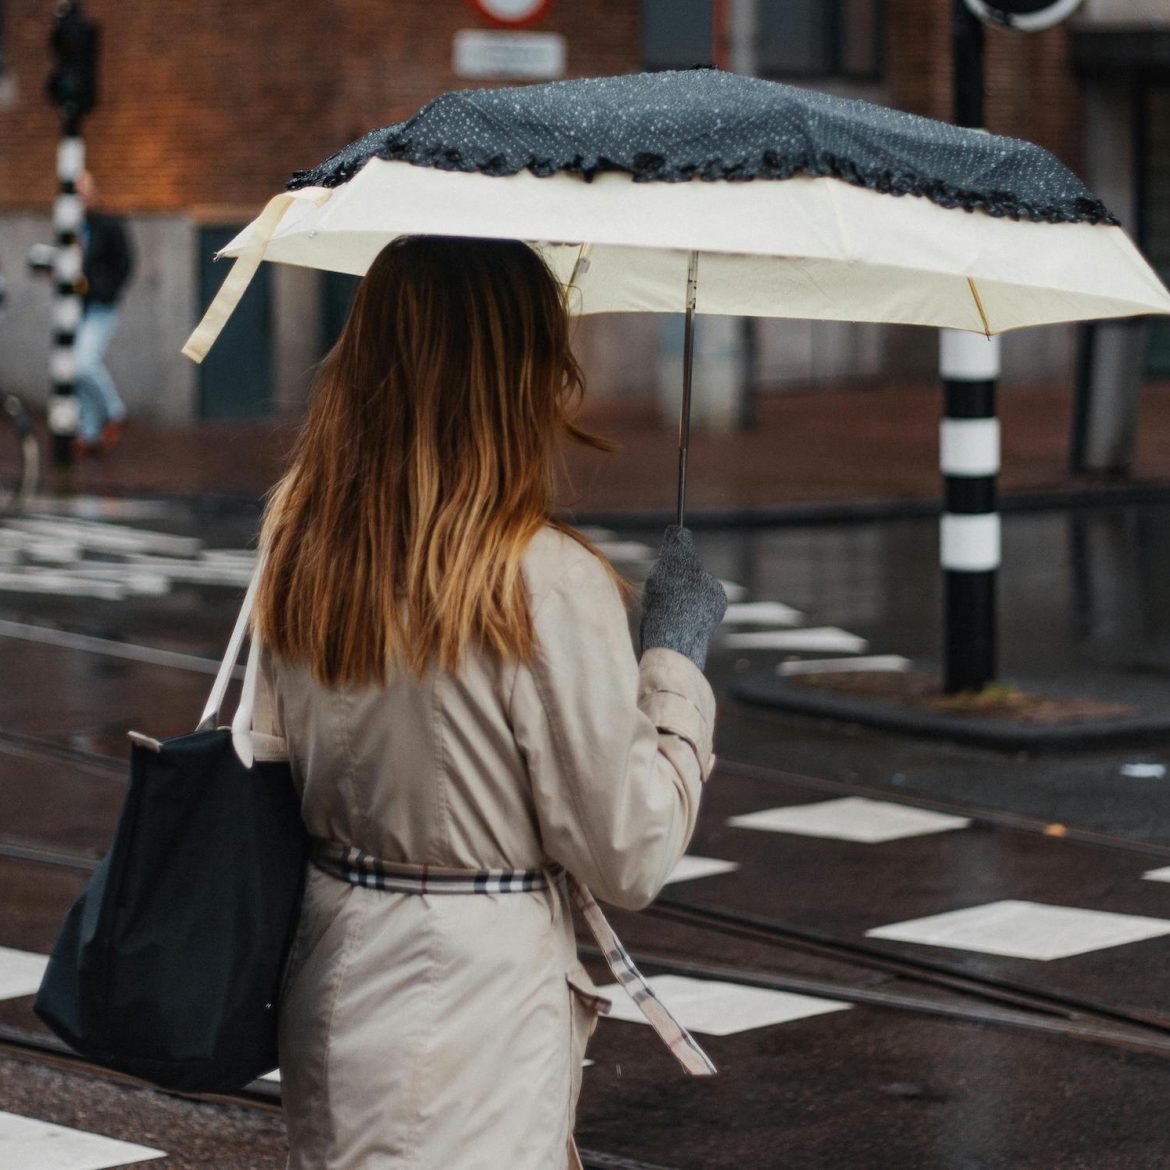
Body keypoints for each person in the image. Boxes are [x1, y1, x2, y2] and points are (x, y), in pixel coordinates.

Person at [251, 235, 727, 1170]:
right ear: (513, 378)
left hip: (333, 974)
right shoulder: (542, 581)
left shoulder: (299, 537)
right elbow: (628, 850)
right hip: (475, 1020)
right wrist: (674, 657)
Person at [74, 171, 133, 453]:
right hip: (76, 306)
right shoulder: (71, 226)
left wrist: (106, 289)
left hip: (101, 305)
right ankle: (89, 432)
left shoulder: (107, 224)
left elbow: (125, 262)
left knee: (85, 362)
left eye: (82, 191)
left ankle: (114, 411)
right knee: (74, 369)